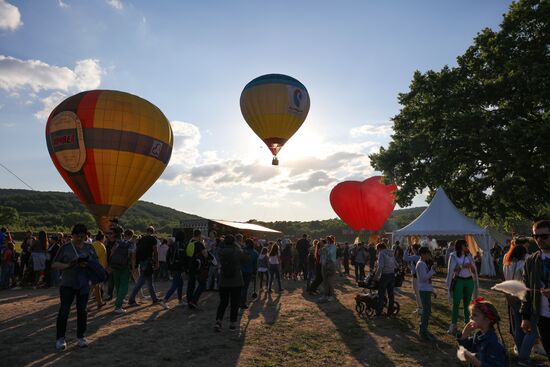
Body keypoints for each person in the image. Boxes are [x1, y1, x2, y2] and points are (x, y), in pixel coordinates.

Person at [52, 223, 98, 350]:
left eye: (82, 236)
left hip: (83, 284)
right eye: (77, 236)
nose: (79, 239)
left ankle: (81, 336)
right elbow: (54, 264)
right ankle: (60, 338)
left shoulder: (90, 248)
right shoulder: (65, 248)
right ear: (72, 235)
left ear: (85, 236)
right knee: (64, 311)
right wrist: (68, 265)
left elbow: (96, 263)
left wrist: (88, 265)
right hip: (67, 283)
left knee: (82, 311)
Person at [521, 219, 550, 362]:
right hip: (542, 317)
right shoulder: (531, 260)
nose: (539, 240)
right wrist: (525, 317)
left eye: (544, 236)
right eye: (535, 236)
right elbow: (527, 290)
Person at [502, 239, 534, 366]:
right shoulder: (522, 265)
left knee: (517, 324)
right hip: (520, 296)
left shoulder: (507, 263)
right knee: (525, 325)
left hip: (510, 295)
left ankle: (520, 350)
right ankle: (523, 353)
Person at [457, 297, 506, 366]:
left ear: (487, 319)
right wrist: (464, 335)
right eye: (471, 314)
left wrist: (475, 362)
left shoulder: (493, 344)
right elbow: (466, 348)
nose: (470, 317)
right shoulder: (479, 335)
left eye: (475, 315)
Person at [215, 235, 248, 332]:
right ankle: (232, 324)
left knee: (223, 302)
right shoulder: (237, 251)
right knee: (235, 303)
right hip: (236, 280)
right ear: (234, 242)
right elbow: (246, 259)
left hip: (223, 280)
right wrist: (239, 247)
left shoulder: (220, 252)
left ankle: (218, 321)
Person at [446, 239, 479, 335]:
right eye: (465, 245)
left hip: (469, 281)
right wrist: (463, 265)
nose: (467, 247)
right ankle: (453, 324)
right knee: (456, 303)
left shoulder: (469, 255)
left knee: (467, 304)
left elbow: (474, 270)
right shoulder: (453, 256)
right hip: (459, 280)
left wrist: (471, 267)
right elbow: (452, 270)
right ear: (460, 246)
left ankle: (467, 324)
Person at [128, 227, 159, 306]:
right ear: (153, 232)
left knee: (150, 281)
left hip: (142, 262)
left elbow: (136, 251)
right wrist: (157, 262)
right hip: (148, 261)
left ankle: (154, 299)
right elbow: (155, 252)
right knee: (141, 282)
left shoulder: (141, 239)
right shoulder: (153, 239)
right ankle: (131, 299)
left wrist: (136, 263)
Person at [109, 227, 134, 313]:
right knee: (124, 286)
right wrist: (133, 267)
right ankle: (118, 306)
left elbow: (111, 253)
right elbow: (132, 257)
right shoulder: (130, 244)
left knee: (117, 284)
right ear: (131, 236)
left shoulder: (117, 242)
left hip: (115, 266)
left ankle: (120, 299)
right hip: (124, 267)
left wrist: (110, 263)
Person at [161, 231, 187, 309]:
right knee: (175, 284)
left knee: (180, 283)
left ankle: (180, 300)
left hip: (173, 267)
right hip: (178, 267)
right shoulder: (181, 245)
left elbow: (168, 256)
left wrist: (169, 266)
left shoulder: (173, 245)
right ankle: (164, 300)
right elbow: (183, 257)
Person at [416, 247, 436, 340]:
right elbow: (423, 278)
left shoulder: (423, 263)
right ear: (423, 254)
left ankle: (424, 329)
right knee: (426, 311)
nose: (429, 256)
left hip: (426, 289)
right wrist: (432, 270)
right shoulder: (420, 264)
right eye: (428, 254)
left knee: (427, 311)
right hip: (424, 290)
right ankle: (423, 331)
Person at [186, 229, 208, 309]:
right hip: (198, 267)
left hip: (190, 266)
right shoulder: (199, 244)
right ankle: (194, 301)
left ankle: (189, 301)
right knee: (202, 284)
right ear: (199, 235)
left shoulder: (189, 243)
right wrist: (203, 244)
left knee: (191, 285)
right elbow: (205, 255)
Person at [375, 243, 398, 316]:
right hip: (392, 274)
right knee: (391, 294)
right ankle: (390, 311)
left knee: (381, 294)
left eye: (377, 249)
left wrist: (376, 276)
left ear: (380, 248)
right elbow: (396, 264)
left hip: (385, 275)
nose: (377, 251)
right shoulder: (391, 252)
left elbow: (380, 266)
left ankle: (379, 311)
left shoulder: (381, 253)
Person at [404, 243, 422, 315]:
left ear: (414, 249)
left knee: (417, 293)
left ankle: (420, 308)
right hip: (418, 276)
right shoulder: (419, 256)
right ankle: (420, 307)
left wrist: (406, 250)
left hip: (416, 277)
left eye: (412, 248)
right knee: (418, 293)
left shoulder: (415, 256)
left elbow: (405, 258)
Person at [240, 238, 258, 309]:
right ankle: (242, 303)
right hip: (249, 271)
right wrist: (254, 273)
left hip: (240, 271)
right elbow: (255, 265)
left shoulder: (242, 251)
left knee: (240, 287)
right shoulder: (255, 253)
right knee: (245, 288)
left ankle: (238, 302)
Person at [91, 231, 107, 309]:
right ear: (102, 238)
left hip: (94, 267)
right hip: (97, 268)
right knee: (93, 286)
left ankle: (99, 302)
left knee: (97, 286)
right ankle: (83, 304)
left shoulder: (93, 244)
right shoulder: (100, 245)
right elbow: (96, 256)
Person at [319, 235, 337, 302]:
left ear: (330, 240)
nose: (326, 241)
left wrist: (325, 249)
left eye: (327, 240)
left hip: (331, 264)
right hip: (324, 264)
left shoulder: (333, 246)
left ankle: (331, 295)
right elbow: (319, 253)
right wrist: (321, 248)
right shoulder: (325, 246)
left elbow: (330, 253)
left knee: (330, 281)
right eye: (326, 240)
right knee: (325, 281)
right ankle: (325, 295)